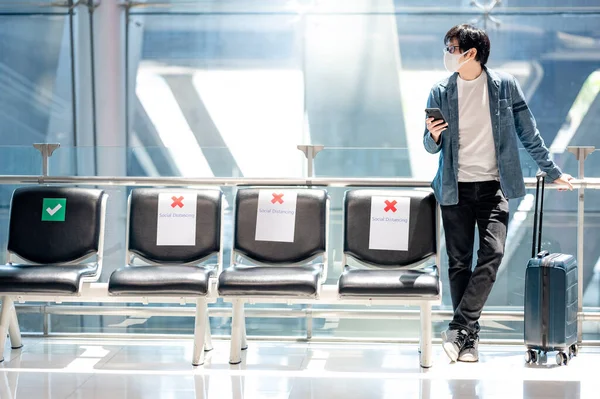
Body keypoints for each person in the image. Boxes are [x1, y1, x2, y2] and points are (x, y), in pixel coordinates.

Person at [423, 24, 574, 363]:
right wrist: (432, 136)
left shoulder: (504, 86)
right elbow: (430, 147)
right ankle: (469, 340)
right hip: (453, 188)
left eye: (451, 47)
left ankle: (458, 328)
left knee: (491, 254)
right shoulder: (440, 91)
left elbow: (528, 133)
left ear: (470, 53)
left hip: (493, 188)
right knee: (458, 263)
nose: (447, 54)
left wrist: (552, 171)